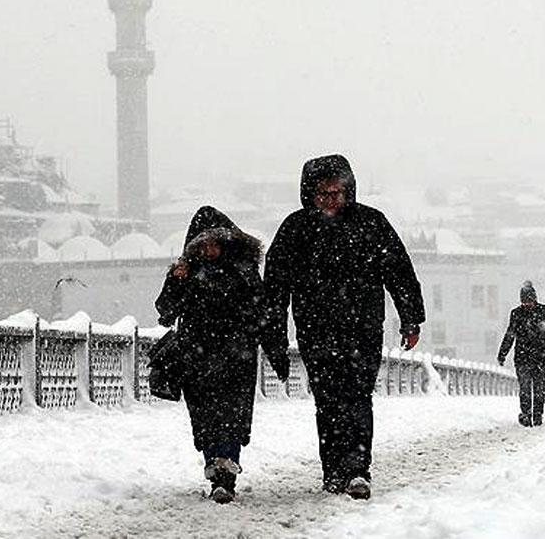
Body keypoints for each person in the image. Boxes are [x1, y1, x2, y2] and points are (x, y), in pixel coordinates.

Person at [261, 155, 424, 500]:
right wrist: (274, 335)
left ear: (348, 191)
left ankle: (357, 469)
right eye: (323, 193)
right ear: (311, 194)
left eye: (336, 192)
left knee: (357, 397)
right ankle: (333, 470)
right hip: (316, 331)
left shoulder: (371, 223)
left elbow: (399, 272)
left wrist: (411, 318)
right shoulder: (295, 230)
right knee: (328, 401)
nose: (330, 200)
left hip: (362, 329)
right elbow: (274, 288)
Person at [155, 206, 289, 504]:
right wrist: (175, 281)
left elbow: (263, 315)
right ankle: (215, 467)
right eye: (204, 244)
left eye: (216, 242)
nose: (210, 249)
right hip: (197, 358)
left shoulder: (244, 272)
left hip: (236, 358)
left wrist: (276, 352)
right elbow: (165, 312)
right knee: (205, 418)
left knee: (231, 416)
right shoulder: (187, 273)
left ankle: (225, 473)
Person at [497, 280, 545, 427]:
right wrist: (503, 353)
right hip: (523, 357)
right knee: (525, 387)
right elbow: (510, 335)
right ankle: (526, 414)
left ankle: (537, 414)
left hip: (539, 357)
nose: (527, 305)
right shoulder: (517, 314)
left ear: (534, 299)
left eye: (529, 301)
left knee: (539, 388)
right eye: (524, 302)